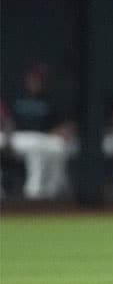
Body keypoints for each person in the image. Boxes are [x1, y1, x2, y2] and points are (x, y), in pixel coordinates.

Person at [0, 63, 75, 200]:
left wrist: (58, 131)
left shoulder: (51, 100)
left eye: (38, 80)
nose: (34, 82)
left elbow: (65, 125)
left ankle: (42, 193)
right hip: (19, 137)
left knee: (53, 149)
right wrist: (8, 137)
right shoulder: (17, 97)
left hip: (42, 138)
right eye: (32, 79)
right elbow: (7, 121)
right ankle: (31, 191)